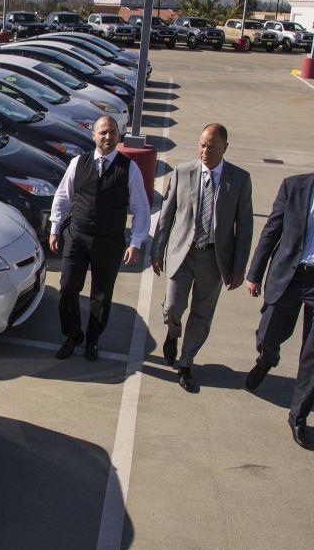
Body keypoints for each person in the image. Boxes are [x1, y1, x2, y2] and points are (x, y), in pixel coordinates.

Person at [150, 123, 253, 392]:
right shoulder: (183, 172)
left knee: (201, 314)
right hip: (182, 254)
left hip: (214, 260)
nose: (205, 151)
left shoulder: (239, 180)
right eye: (202, 145)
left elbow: (244, 228)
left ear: (225, 148)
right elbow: (167, 215)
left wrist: (238, 268)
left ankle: (185, 363)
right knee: (173, 306)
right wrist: (157, 250)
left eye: (212, 147)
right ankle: (173, 333)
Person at [48, 115, 150, 362]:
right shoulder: (77, 164)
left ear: (118, 136)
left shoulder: (129, 169)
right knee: (68, 288)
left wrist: (136, 242)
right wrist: (54, 228)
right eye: (103, 132)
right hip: (77, 236)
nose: (108, 136)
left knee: (101, 295)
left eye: (113, 132)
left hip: (110, 240)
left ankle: (93, 339)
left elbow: (140, 208)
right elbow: (62, 196)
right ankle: (73, 335)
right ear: (93, 135)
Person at [245, 173, 314, 449]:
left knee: (312, 356)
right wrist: (255, 273)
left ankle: (298, 415)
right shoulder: (294, 186)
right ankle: (267, 358)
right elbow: (272, 230)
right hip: (290, 274)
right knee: (269, 332)